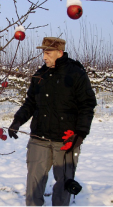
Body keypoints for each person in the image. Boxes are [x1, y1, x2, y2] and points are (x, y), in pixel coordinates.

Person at [8, 37, 96, 206]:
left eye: (47, 52)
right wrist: (18, 121)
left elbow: (87, 105)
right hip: (38, 138)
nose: (44, 57)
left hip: (65, 141)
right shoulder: (40, 75)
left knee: (63, 185)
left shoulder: (76, 74)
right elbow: (30, 102)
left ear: (59, 53)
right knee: (33, 184)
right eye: (43, 52)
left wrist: (81, 133)